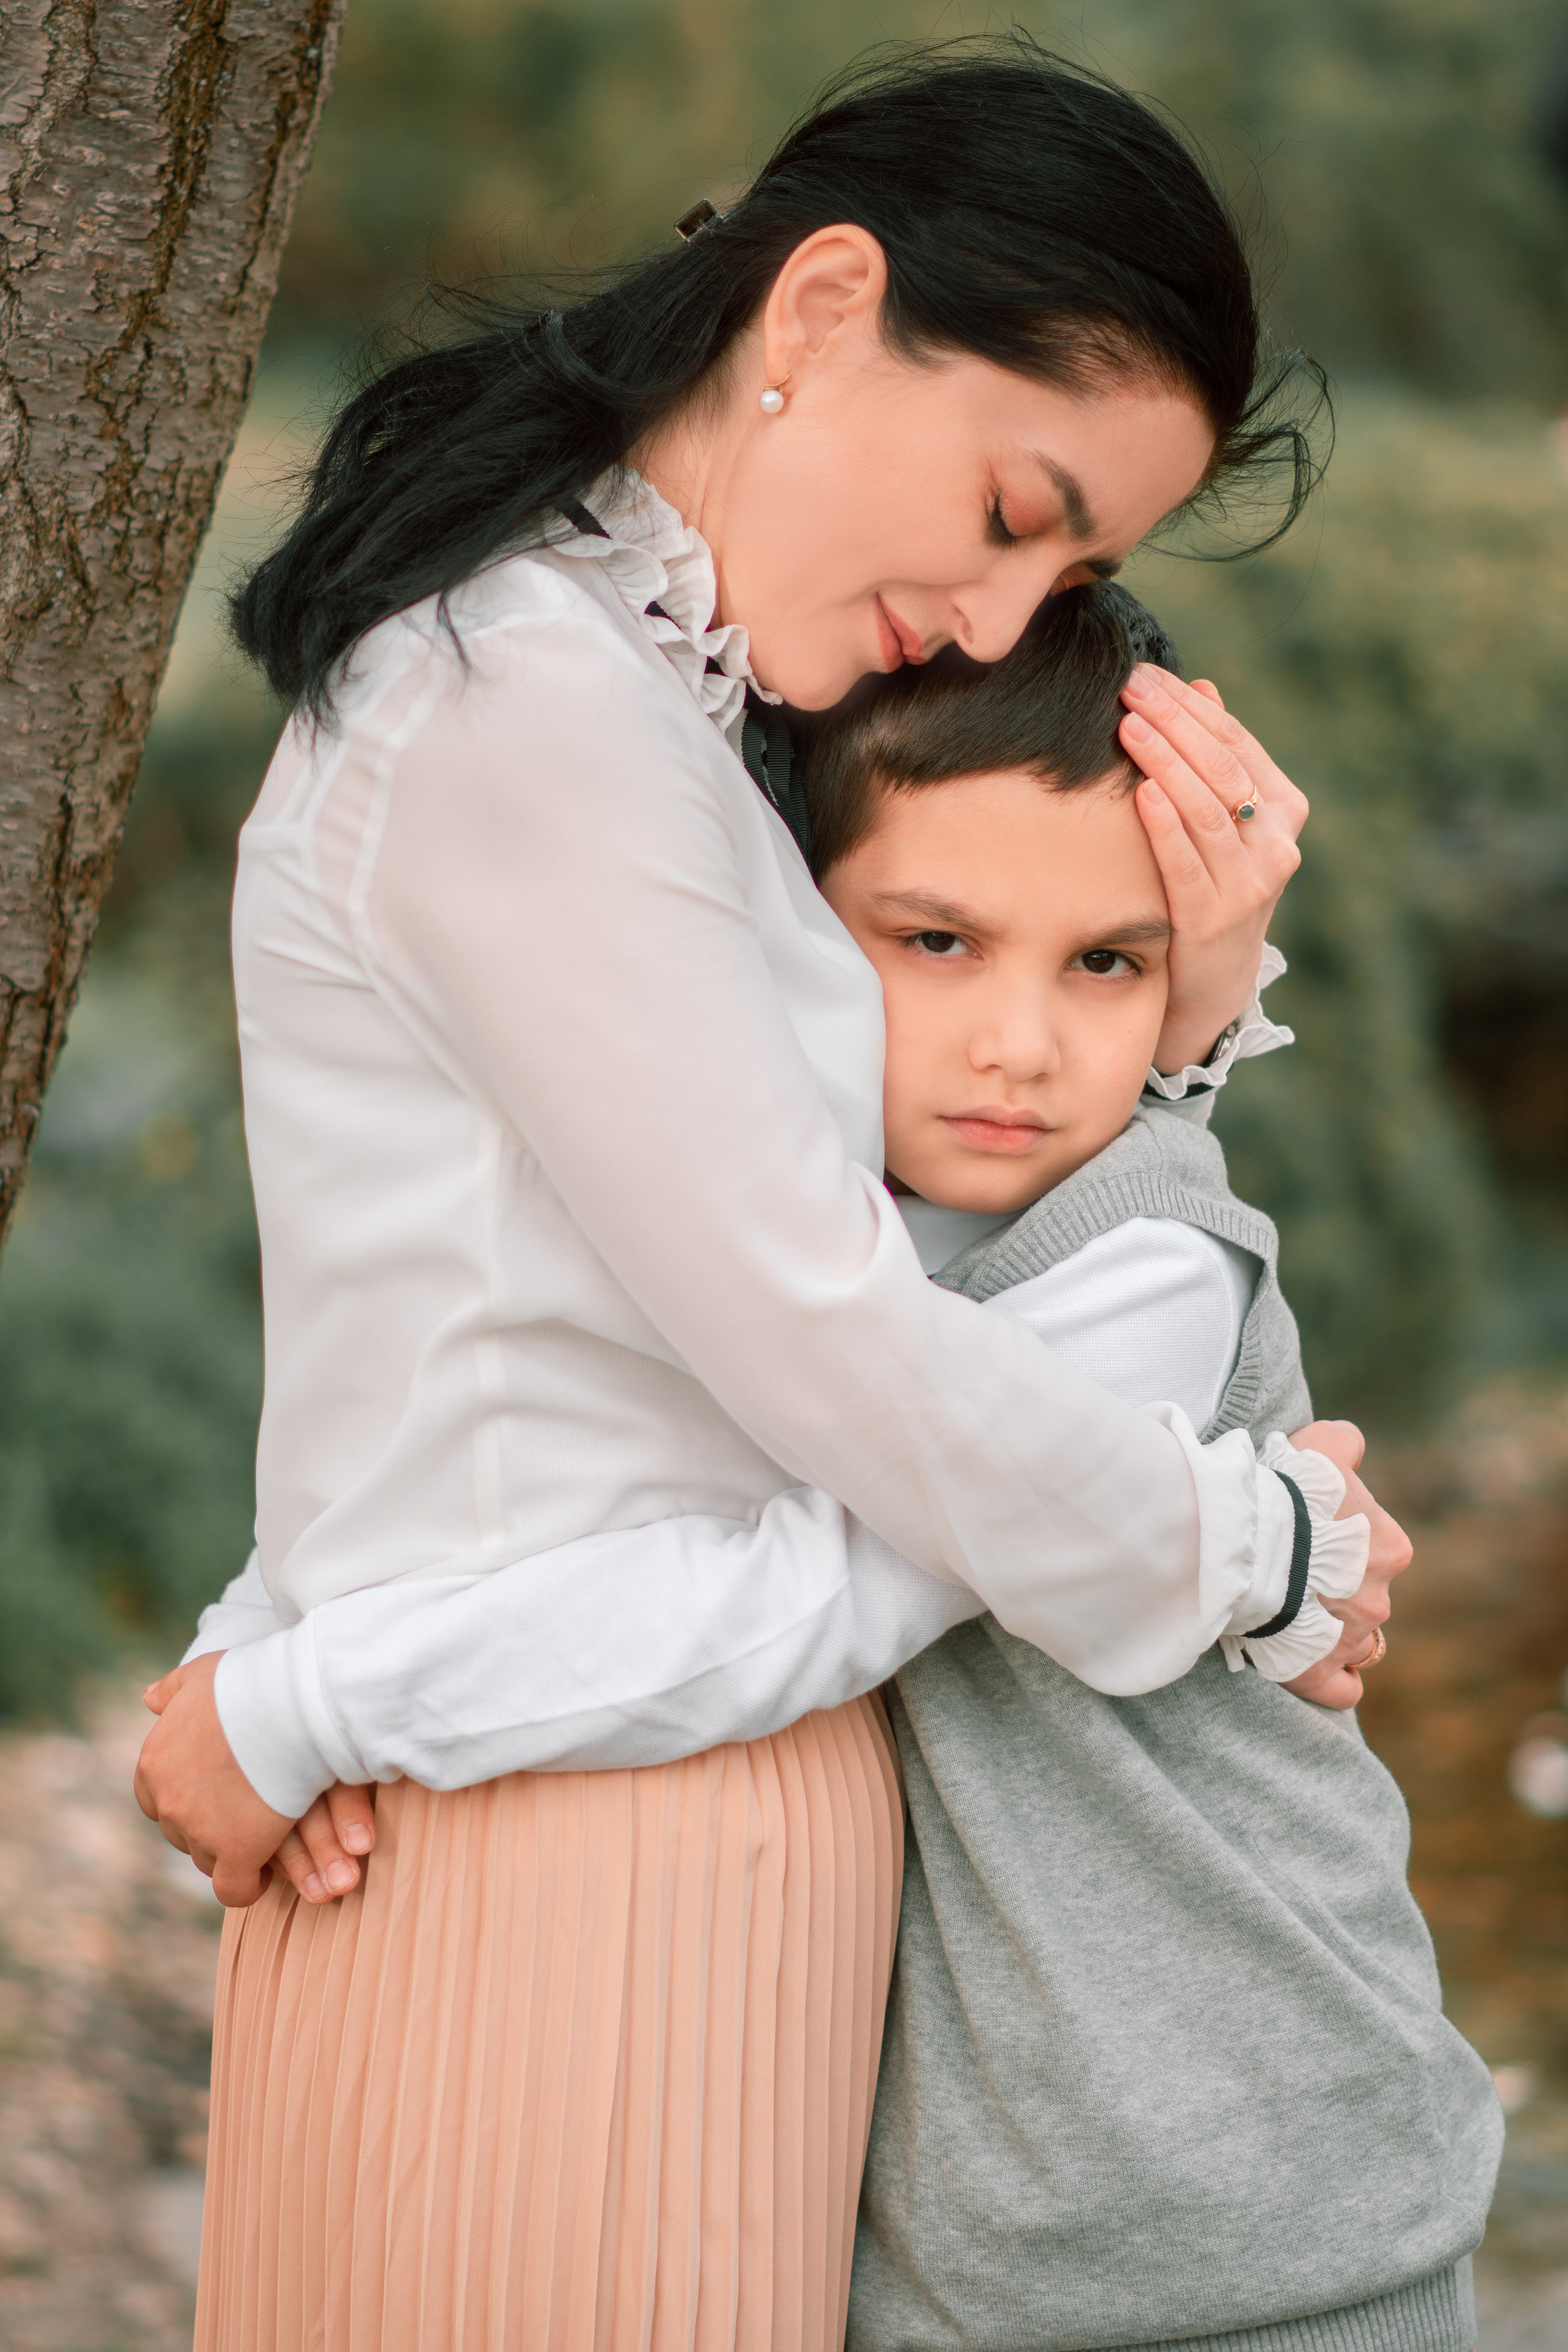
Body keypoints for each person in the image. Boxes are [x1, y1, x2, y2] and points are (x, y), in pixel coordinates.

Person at [132, 40, 1406, 2352]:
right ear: (818, 311)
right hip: (572, 1864)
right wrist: (1249, 1545)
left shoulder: (658, 701)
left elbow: (556, 1318)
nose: (1022, 625)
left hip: (606, 1812)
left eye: (1083, 570)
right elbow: (831, 1341)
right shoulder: (528, 702)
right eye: (1020, 509)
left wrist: (1194, 1021)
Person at [788, 580, 1500, 2352]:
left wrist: (320, 1705)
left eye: (1104, 961)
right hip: (1001, 2235)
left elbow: (809, 1548)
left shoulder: (1144, 1251)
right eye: (933, 942)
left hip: (1276, 2223)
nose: (1020, 1048)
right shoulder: (830, 1230)